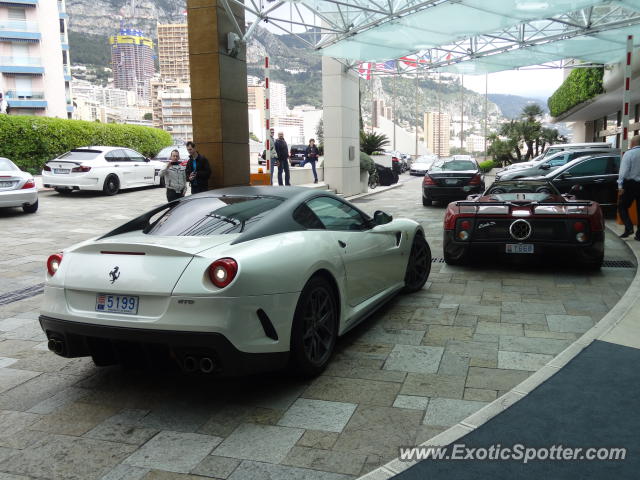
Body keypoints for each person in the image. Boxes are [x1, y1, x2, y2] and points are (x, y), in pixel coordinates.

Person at [618, 135, 640, 239]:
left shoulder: (629, 153)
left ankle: (629, 227)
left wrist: (620, 185)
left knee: (622, 206)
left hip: (630, 184)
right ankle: (639, 235)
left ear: (633, 143)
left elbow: (624, 171)